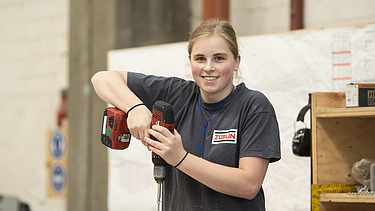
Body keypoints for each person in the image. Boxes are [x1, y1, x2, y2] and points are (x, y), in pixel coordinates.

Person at [91, 19, 281, 211]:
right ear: (190, 62)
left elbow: (248, 185)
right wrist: (135, 107)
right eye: (200, 58)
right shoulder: (176, 94)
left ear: (236, 62)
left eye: (219, 58)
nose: (208, 67)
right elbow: (102, 79)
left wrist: (180, 157)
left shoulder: (254, 106)